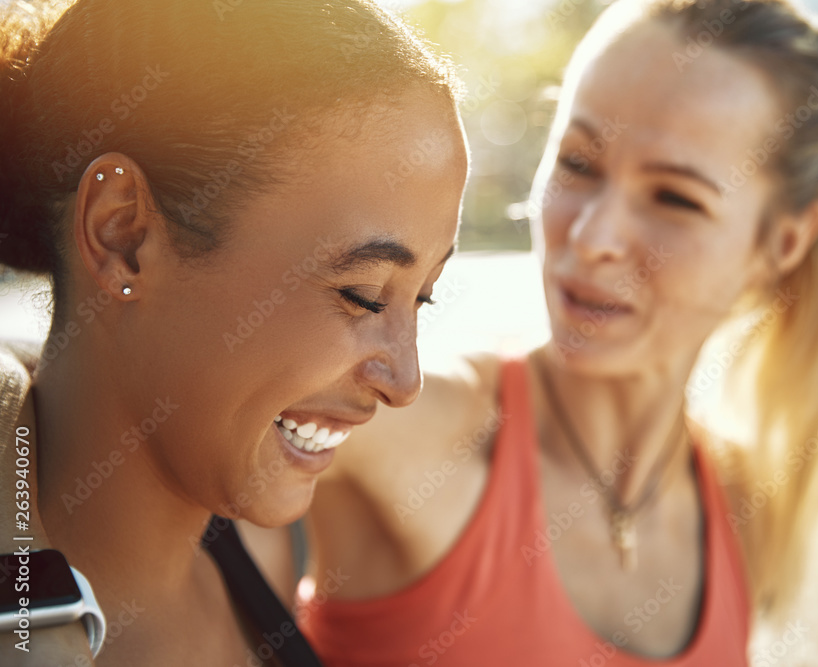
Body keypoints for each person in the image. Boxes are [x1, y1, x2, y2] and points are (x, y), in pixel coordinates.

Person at [294, 0, 818, 663]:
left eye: (675, 197)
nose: (593, 237)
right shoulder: (396, 429)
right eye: (578, 163)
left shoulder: (743, 512)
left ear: (781, 243)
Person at [0, 0, 468, 665]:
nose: (405, 380)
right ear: (121, 233)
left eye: (422, 298)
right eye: (361, 295)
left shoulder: (264, 563)